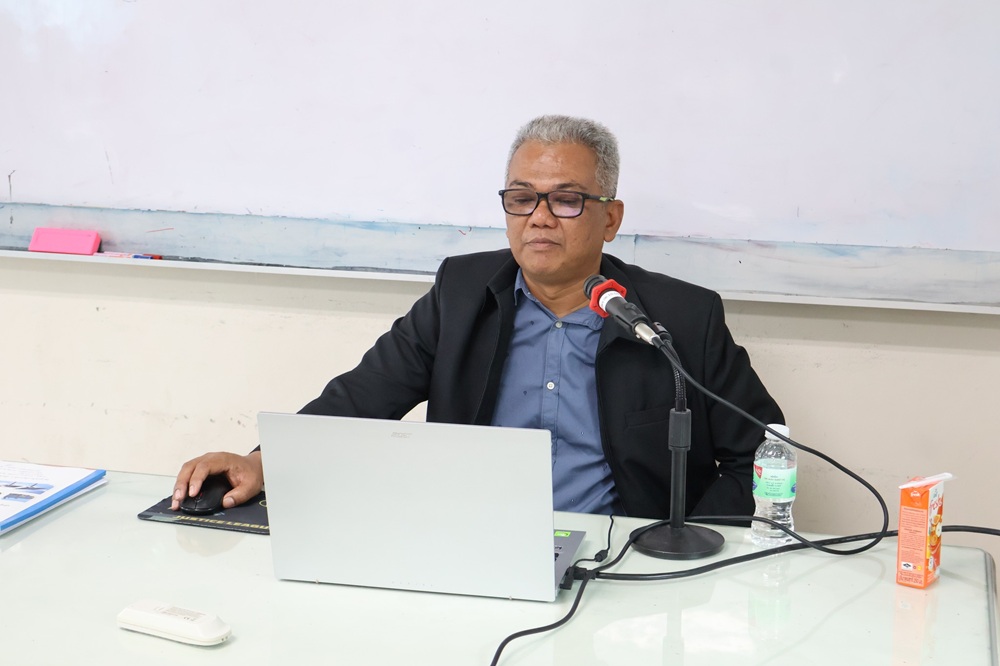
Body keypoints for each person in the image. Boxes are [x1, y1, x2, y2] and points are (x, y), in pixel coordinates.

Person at [172, 114, 782, 520]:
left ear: (611, 218)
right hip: (471, 542)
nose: (539, 217)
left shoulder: (678, 318)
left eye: (566, 200)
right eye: (521, 198)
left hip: (620, 564)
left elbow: (761, 456)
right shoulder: (462, 293)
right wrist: (261, 462)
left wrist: (678, 544)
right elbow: (361, 398)